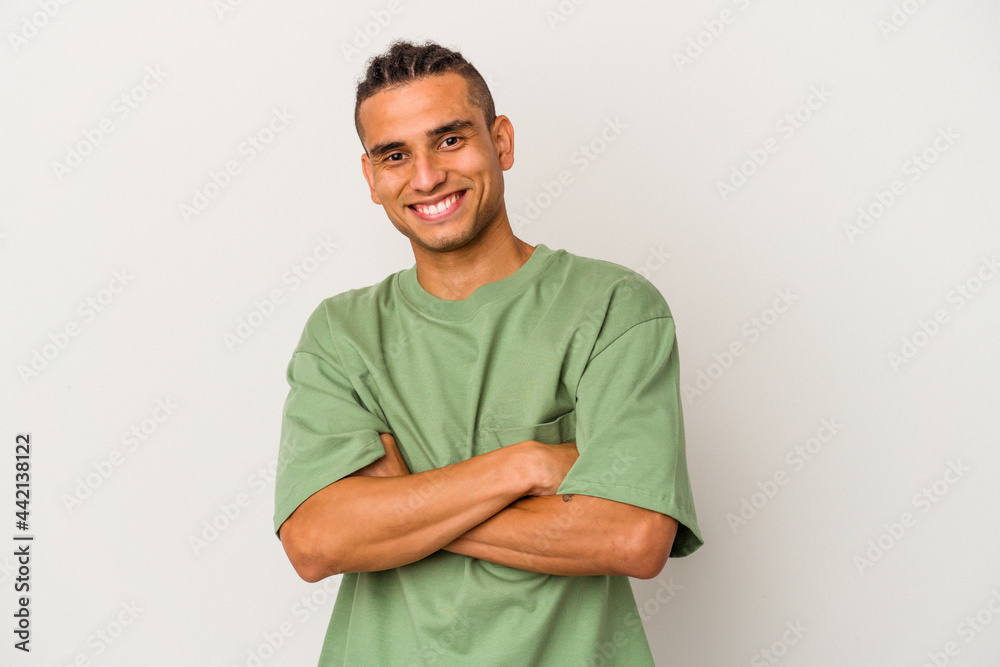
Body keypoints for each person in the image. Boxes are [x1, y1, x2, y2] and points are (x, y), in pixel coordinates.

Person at [273, 39, 703, 666]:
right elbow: (316, 543)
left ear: (501, 141)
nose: (426, 177)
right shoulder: (342, 334)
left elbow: (633, 536)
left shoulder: (613, 307)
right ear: (371, 178)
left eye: (450, 140)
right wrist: (526, 465)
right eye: (395, 155)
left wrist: (396, 509)